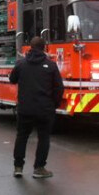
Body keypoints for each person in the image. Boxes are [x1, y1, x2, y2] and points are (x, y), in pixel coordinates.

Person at [9, 36, 65, 179]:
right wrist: (54, 104)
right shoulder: (51, 66)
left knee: (22, 136)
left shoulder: (21, 64)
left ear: (30, 48)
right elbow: (59, 88)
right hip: (44, 109)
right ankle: (39, 168)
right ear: (44, 47)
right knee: (44, 138)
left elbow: (12, 79)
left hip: (25, 108)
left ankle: (18, 167)